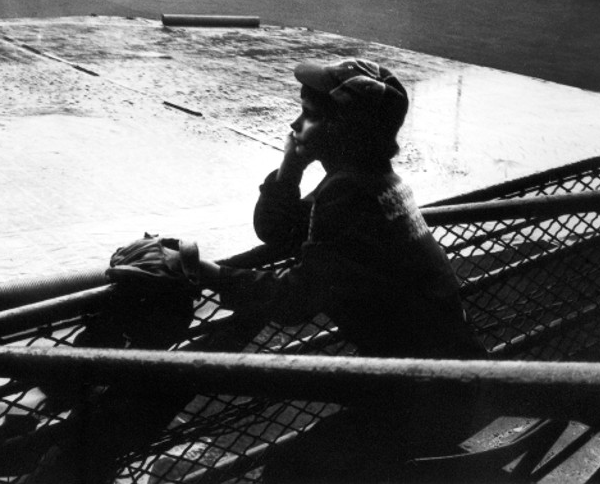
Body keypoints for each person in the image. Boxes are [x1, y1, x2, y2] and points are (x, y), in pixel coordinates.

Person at [108, 58, 486, 483]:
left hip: (424, 398)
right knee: (307, 459)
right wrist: (291, 167)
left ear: (344, 131)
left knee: (290, 470)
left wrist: (207, 273)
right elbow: (279, 230)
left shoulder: (348, 194)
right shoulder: (373, 180)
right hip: (448, 385)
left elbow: (293, 301)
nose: (294, 123)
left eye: (309, 116)